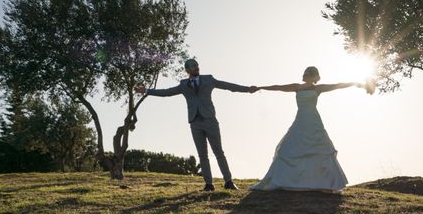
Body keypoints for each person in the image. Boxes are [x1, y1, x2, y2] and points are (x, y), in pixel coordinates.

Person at [135, 58, 258, 191]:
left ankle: (228, 181)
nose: (197, 67)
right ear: (187, 70)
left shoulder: (208, 79)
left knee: (219, 152)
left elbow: (228, 86)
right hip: (195, 122)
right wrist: (146, 91)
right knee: (202, 155)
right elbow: (166, 92)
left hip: (210, 120)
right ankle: (209, 184)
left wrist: (247, 89)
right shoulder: (183, 85)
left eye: (197, 65)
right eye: (193, 66)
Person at [251, 66, 371, 192]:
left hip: (314, 121)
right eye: (304, 73)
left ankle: (321, 182)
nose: (304, 75)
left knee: (319, 150)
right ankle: (286, 180)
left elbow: (337, 85)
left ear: (312, 76)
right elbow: (279, 87)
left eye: (307, 73)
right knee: (287, 148)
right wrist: (260, 87)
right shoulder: (296, 87)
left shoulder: (317, 88)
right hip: (300, 120)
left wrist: (358, 84)